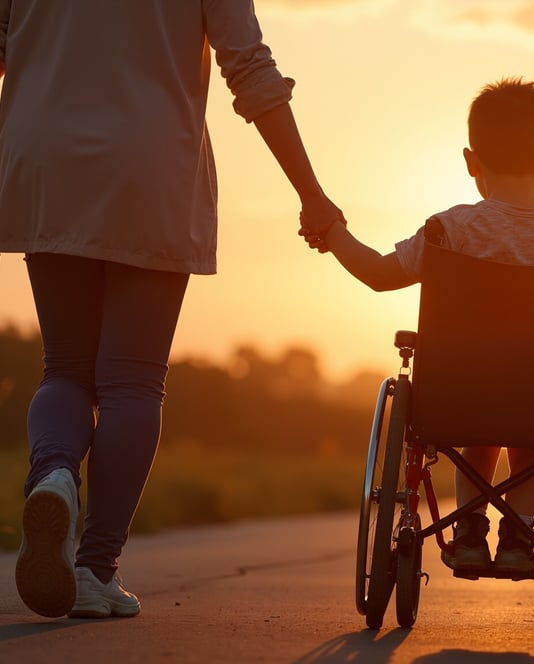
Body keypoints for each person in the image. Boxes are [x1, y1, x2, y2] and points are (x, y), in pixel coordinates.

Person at [0, 1, 341, 619]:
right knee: (131, 379)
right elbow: (251, 69)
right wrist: (310, 193)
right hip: (148, 164)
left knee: (64, 368)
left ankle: (53, 477)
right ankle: (94, 568)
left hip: (41, 157)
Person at [302, 77, 534, 575]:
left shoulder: (447, 230)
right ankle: (519, 532)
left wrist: (332, 231)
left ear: (471, 160)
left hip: (457, 392)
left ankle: (470, 531)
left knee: (481, 414)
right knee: (528, 426)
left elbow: (375, 274)